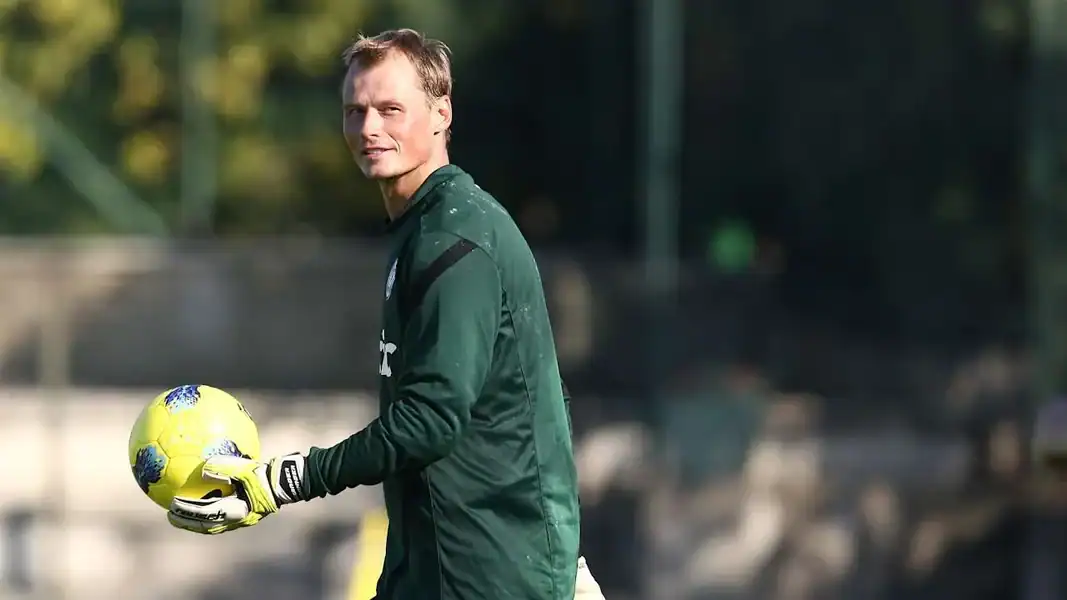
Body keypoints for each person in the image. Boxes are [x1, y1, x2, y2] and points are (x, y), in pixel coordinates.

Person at [167, 28, 604, 600]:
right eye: (355, 111)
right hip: (436, 566)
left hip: (489, 576)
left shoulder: (455, 238)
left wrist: (283, 480)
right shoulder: (423, 227)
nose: (369, 128)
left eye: (390, 109)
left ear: (442, 113)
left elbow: (431, 420)